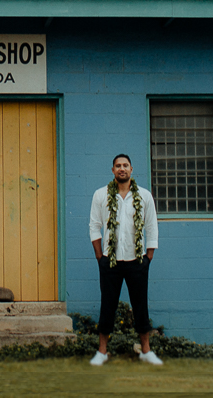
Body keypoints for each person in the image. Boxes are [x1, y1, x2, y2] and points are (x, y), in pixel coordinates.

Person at [87, 153, 162, 366]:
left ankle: (146, 351)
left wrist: (148, 256)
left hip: (136, 261)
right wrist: (99, 255)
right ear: (112, 170)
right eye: (118, 166)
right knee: (107, 306)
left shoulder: (144, 196)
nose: (122, 169)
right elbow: (94, 225)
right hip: (110, 262)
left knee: (140, 305)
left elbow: (151, 226)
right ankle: (102, 352)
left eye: (125, 165)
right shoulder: (100, 195)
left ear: (131, 169)